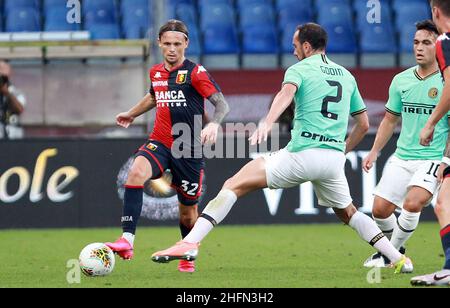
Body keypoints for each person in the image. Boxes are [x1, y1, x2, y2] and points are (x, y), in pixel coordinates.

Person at [151, 23, 413, 274]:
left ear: (307, 47)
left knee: (234, 184)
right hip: (332, 159)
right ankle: (399, 258)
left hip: (301, 153)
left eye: (295, 45)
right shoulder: (346, 75)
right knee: (349, 213)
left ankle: (190, 242)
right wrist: (341, 151)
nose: (293, 50)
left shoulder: (298, 69)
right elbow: (364, 124)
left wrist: (267, 122)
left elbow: (285, 95)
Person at [105, 20, 230, 273]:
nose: (172, 49)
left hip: (188, 149)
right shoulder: (156, 72)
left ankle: (187, 251)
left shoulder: (196, 73)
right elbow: (154, 96)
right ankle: (126, 241)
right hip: (160, 142)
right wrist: (131, 113)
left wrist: (214, 124)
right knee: (136, 172)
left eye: (177, 44)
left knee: (187, 213)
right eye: (167, 43)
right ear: (159, 43)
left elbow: (222, 104)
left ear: (186, 44)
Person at [362, 20, 447, 269]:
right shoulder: (401, 80)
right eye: (416, 42)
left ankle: (393, 256)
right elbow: (389, 120)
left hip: (431, 157)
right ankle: (395, 253)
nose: (419, 48)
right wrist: (375, 151)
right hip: (402, 156)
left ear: (438, 46)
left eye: (426, 43)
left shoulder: (446, 83)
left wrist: (446, 160)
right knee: (379, 209)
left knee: (412, 203)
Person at [411, 0, 450, 286]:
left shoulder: (444, 42)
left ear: (435, 11)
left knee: (444, 203)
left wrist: (430, 122)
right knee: (444, 202)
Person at [0, 61, 26, 140]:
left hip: (14, 136)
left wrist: (7, 93)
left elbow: (19, 109)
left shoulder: (16, 92)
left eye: (3, 78)